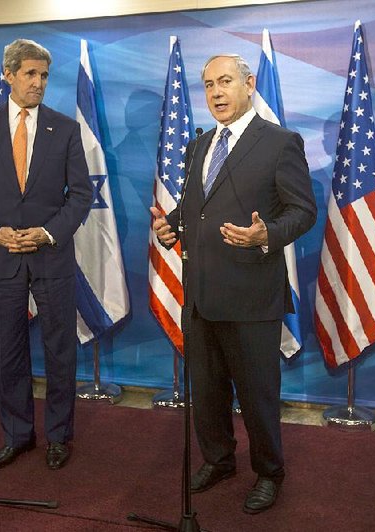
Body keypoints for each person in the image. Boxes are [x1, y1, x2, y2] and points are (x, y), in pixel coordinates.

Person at [151, 54, 316, 514]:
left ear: (248, 84)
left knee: (258, 396)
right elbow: (195, 210)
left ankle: (269, 472)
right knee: (206, 392)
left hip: (251, 295)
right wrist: (173, 228)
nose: (216, 93)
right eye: (208, 85)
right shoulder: (200, 145)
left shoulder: (280, 142)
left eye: (225, 82)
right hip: (201, 297)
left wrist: (268, 235)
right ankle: (219, 460)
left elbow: (302, 211)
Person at [0, 39, 93, 471]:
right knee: (7, 352)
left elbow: (81, 194)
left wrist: (48, 233)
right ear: (9, 74)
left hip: (50, 256)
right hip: (1, 257)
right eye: (30, 74)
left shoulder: (64, 128)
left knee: (59, 351)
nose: (38, 83)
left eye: (45, 76)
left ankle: (58, 436)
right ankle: (17, 435)